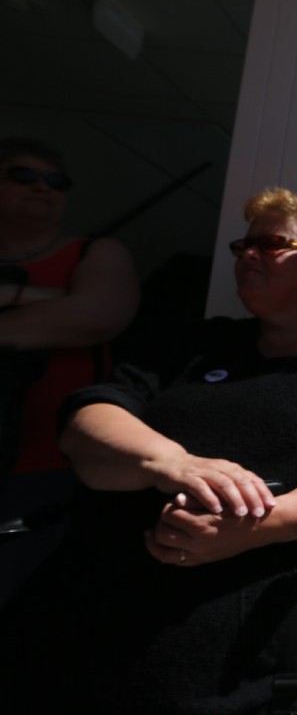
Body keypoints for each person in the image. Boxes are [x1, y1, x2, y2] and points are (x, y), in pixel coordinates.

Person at [0, 187, 297, 714]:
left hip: (248, 641)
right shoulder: (199, 341)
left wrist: (266, 523)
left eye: (271, 243)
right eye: (243, 245)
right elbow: (87, 418)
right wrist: (175, 464)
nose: (248, 254)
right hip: (90, 616)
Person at [0, 137, 139, 609]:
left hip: (44, 471)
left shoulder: (93, 253)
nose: (42, 187)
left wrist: (13, 298)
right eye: (23, 176)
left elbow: (95, 316)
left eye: (56, 181)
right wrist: (48, 301)